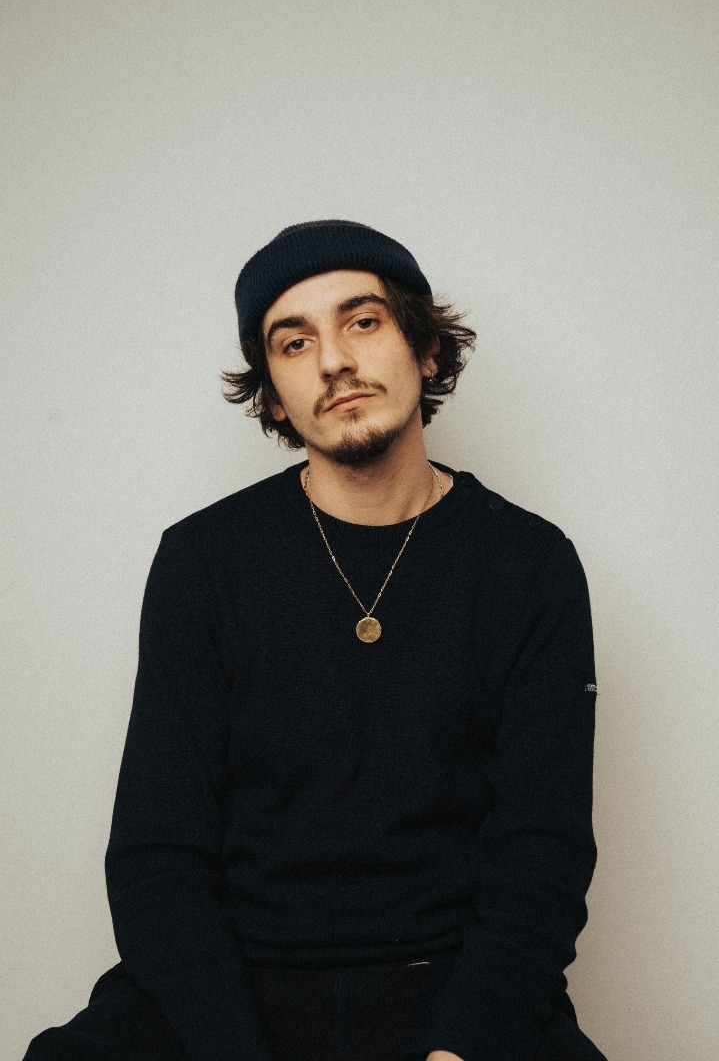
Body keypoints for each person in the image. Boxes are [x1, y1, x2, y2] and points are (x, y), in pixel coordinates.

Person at [24, 220, 607, 1061]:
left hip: (449, 983)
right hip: (234, 982)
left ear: (426, 350)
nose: (333, 360)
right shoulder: (203, 560)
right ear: (272, 394)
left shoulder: (528, 563)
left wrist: (458, 1050)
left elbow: (541, 855)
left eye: (362, 322)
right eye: (294, 343)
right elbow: (156, 854)